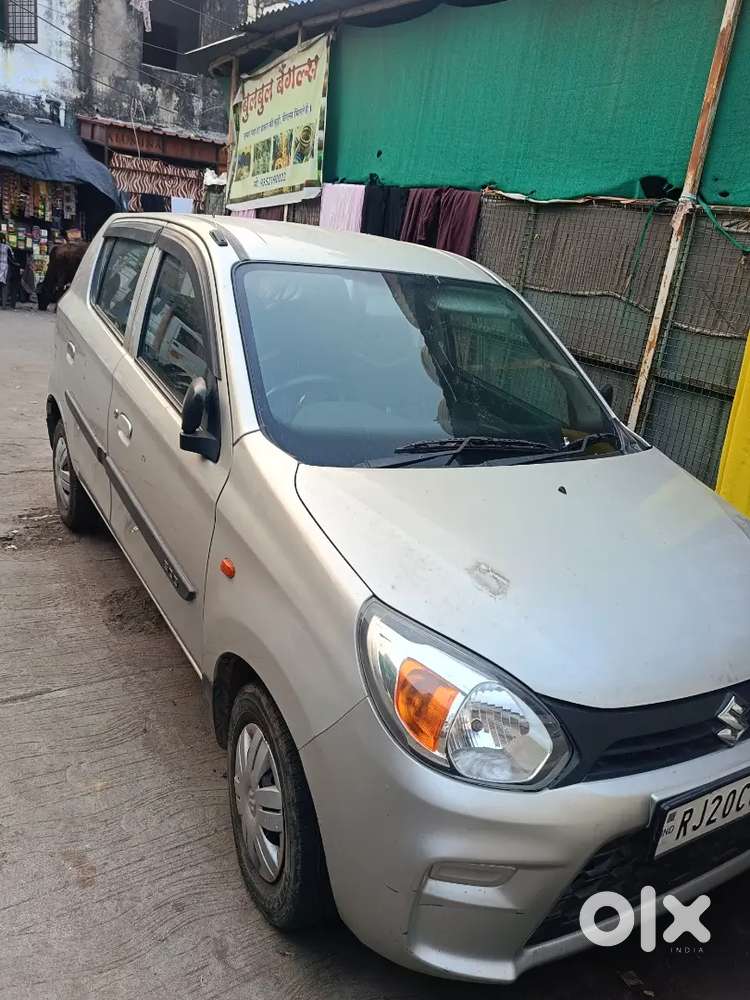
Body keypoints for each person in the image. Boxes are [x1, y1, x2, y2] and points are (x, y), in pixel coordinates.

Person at [0, 236, 17, 309]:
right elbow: (12, 259)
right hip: (6, 268)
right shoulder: (8, 247)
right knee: (5, 286)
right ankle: (3, 305)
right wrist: (16, 264)